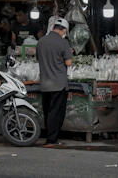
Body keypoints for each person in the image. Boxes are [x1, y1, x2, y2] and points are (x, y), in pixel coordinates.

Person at [36, 18, 72, 148]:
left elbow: (38, 59)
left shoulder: (41, 42)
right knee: (56, 112)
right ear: (64, 30)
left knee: (48, 111)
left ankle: (49, 137)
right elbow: (68, 62)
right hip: (59, 83)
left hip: (45, 83)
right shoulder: (63, 43)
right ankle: (52, 140)